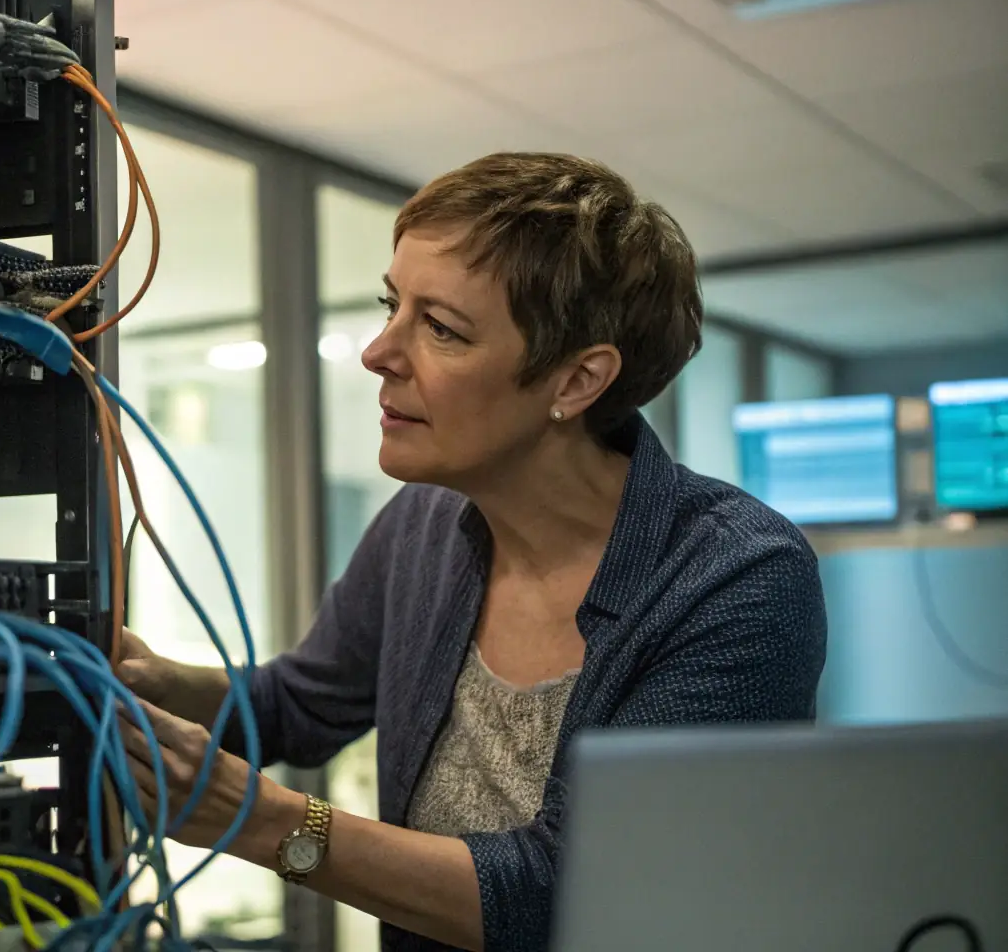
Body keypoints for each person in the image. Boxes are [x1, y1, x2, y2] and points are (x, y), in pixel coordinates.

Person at [115, 153, 828, 952]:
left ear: (575, 381)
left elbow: (570, 894)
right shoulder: (423, 523)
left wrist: (266, 822)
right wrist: (147, 679)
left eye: (440, 328)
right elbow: (302, 705)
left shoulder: (736, 578)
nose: (378, 352)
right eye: (393, 306)